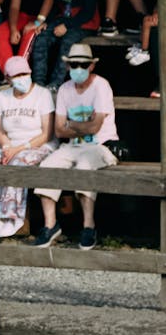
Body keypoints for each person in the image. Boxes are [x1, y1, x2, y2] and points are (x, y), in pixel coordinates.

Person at [33, 42, 119, 250]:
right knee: (46, 168)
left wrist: (71, 124)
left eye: (82, 64)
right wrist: (81, 126)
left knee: (84, 168)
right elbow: (59, 130)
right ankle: (50, 225)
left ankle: (88, 226)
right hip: (72, 146)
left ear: (91, 66)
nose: (77, 69)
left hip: (100, 145)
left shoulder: (101, 86)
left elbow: (96, 126)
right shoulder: (64, 89)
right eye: (73, 65)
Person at [0, 55, 57, 242]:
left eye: (24, 73)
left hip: (37, 145)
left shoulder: (42, 95)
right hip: (11, 145)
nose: (21, 77)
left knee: (17, 162)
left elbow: (47, 134)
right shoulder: (2, 97)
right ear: (8, 79)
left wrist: (18, 149)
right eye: (16, 75)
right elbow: (1, 130)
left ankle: (9, 216)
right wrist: (6, 147)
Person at [31, 0, 100, 89]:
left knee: (67, 43)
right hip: (62, 19)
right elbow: (55, 6)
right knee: (41, 39)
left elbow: (87, 13)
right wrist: (46, 22)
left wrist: (67, 26)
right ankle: (38, 82)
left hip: (83, 23)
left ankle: (56, 83)